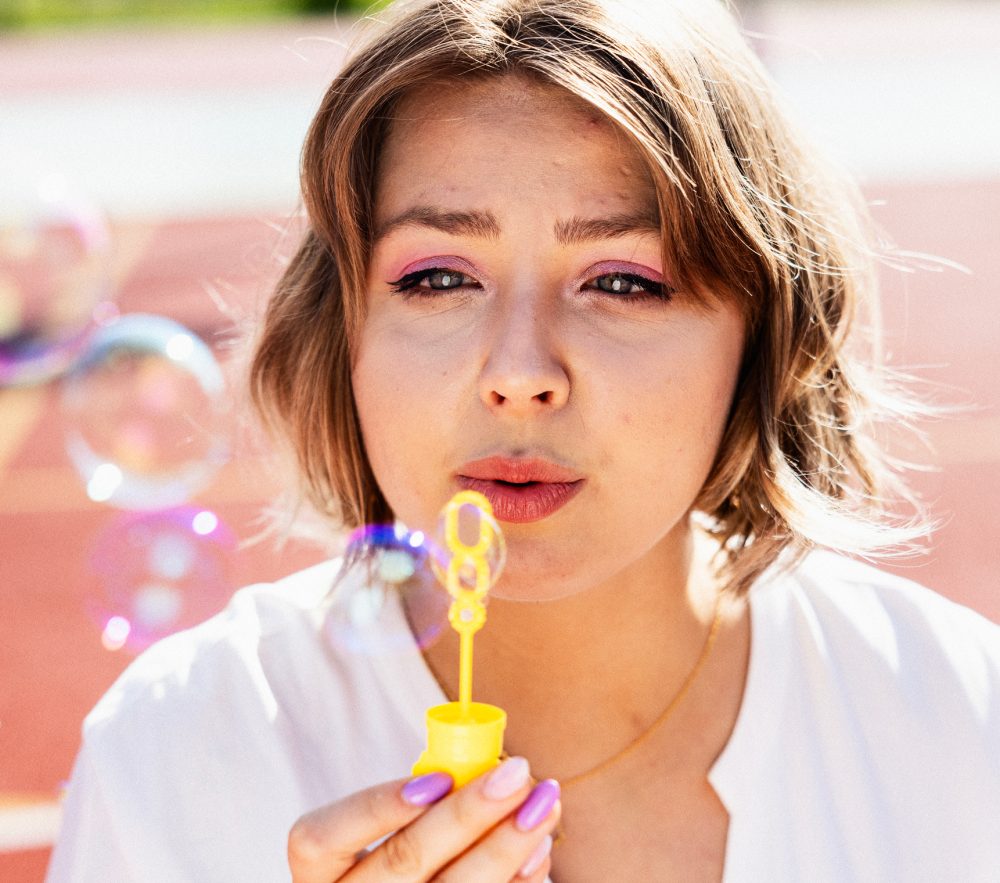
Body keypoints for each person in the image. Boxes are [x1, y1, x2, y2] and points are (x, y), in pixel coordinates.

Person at [47, 0, 1000, 880]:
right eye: (438, 278)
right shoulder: (170, 755)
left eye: (622, 281)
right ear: (344, 331)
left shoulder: (962, 718)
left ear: (764, 330)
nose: (518, 372)